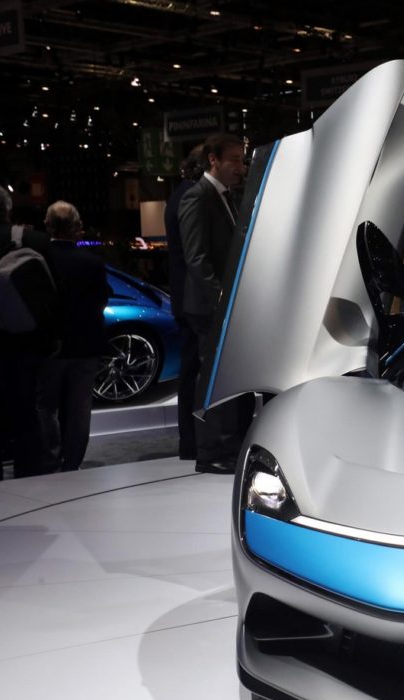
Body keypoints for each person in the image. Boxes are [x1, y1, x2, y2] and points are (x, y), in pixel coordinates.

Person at [178, 132, 253, 475]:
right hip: (210, 308)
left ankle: (229, 446)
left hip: (228, 308)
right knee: (212, 380)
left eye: (242, 160)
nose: (241, 167)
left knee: (229, 378)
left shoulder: (229, 198)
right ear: (213, 160)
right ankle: (210, 452)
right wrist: (222, 300)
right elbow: (196, 258)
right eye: (234, 159)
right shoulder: (197, 197)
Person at [0, 185, 57, 481]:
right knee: (27, 416)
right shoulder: (36, 241)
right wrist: (53, 340)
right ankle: (29, 481)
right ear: (8, 209)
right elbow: (55, 296)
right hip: (27, 344)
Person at [36, 201, 112, 472]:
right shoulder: (92, 262)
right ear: (77, 226)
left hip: (49, 345)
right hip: (85, 344)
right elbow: (101, 300)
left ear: (48, 225)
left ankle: (50, 457)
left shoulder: (39, 259)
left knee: (46, 406)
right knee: (79, 407)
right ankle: (72, 462)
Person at [165, 145, 205, 460]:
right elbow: (196, 256)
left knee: (190, 372)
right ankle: (193, 441)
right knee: (193, 374)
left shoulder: (178, 195)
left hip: (185, 297)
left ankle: (191, 441)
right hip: (194, 301)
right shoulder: (191, 197)